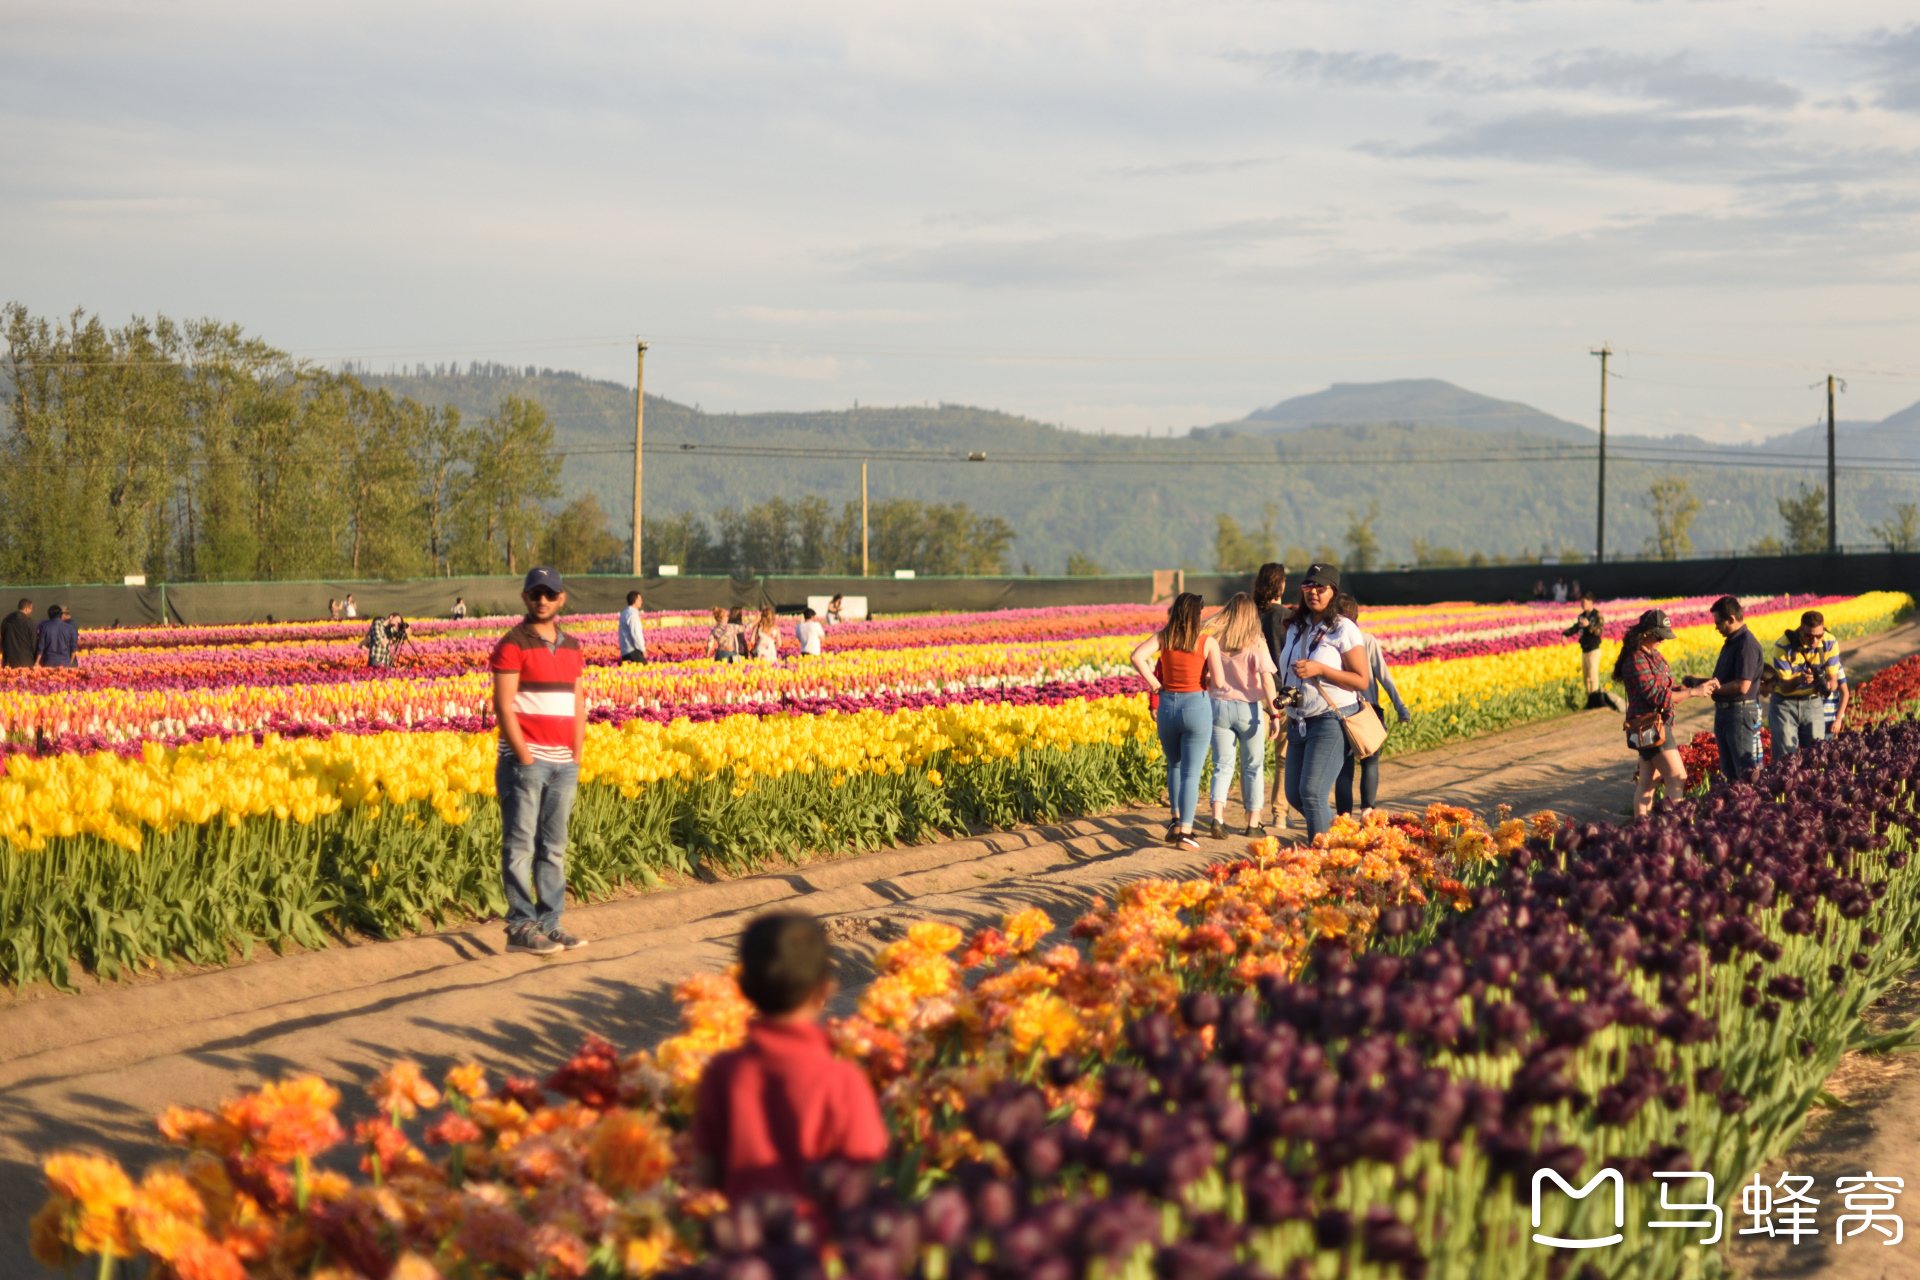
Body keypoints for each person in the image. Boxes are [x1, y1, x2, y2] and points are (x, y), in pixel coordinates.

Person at [691, 912, 888, 1214]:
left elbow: (704, 1173)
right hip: (815, 1248)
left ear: (742, 989)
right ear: (826, 989)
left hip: (743, 1247)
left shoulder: (723, 1073)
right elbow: (862, 1177)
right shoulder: (842, 1079)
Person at [490, 567, 589, 955]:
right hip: (526, 761)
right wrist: (526, 755)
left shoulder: (572, 647)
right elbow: (503, 704)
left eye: (550, 593)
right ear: (525, 597)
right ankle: (520, 925)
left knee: (553, 846)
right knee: (520, 845)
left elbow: (578, 703)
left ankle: (550, 923)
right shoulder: (512, 643)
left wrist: (576, 756)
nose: (542, 600)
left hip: (564, 762)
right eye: (536, 593)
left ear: (562, 598)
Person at [1276, 564, 1371, 841]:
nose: (1313, 593)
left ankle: (1322, 863)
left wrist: (1321, 670)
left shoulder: (1343, 628)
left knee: (1313, 793)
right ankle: (1346, 840)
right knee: (1295, 794)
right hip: (1299, 722)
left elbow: (1361, 680)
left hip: (1331, 719)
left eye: (1321, 588)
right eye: (1308, 587)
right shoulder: (1296, 627)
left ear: (1334, 591)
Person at [1130, 592, 1228, 851]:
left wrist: (1154, 684)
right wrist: (1208, 679)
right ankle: (1186, 831)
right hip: (1196, 705)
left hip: (1167, 707)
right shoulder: (1207, 642)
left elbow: (1137, 657)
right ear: (1197, 615)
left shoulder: (1163, 637)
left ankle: (1174, 822)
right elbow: (1218, 682)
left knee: (1174, 766)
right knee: (1191, 773)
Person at [1614, 608, 1710, 816]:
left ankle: (1643, 828)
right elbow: (1656, 697)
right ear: (1645, 633)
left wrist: (1698, 688)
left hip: (1659, 725)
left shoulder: (1655, 656)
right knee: (1677, 778)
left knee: (1649, 783)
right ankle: (1673, 825)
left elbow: (1668, 690)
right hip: (1649, 727)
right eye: (1659, 636)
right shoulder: (1635, 659)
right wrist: (1693, 693)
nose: (1662, 641)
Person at [1202, 593, 1280, 839]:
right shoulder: (1256, 642)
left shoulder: (1214, 639)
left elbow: (1204, 674)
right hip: (1249, 709)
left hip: (1218, 707)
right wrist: (1275, 712)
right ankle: (1253, 824)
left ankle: (1217, 818)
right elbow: (1267, 679)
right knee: (1253, 767)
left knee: (1222, 765)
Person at [1334, 595, 1410, 817]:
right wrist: (1400, 707)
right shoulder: (1366, 640)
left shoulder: (1328, 641)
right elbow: (1384, 676)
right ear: (1356, 615)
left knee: (1344, 769)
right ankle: (1367, 811)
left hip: (1340, 711)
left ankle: (1344, 818)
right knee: (1371, 763)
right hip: (1368, 711)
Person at [1691, 595, 1764, 784]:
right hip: (1728, 712)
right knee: (1730, 772)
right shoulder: (1732, 642)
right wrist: (1698, 682)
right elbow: (1723, 680)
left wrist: (1709, 690)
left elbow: (1742, 685)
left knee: (1744, 772)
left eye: (1718, 622)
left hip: (1739, 712)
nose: (1716, 627)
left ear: (1731, 619)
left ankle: (1752, 809)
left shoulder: (1745, 644)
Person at [1767, 610, 1840, 762]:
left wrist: (1825, 685)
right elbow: (1784, 687)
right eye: (1808, 636)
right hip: (1784, 703)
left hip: (1812, 700)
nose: (1814, 641)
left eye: (1818, 636)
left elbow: (1833, 680)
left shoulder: (1830, 642)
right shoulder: (1783, 646)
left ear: (1823, 629)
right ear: (1800, 630)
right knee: (1786, 759)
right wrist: (1799, 681)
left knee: (1816, 756)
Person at [1252, 563, 1290, 828]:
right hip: (1281, 693)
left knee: (1253, 757)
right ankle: (1280, 815)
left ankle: (1252, 813)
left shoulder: (1248, 616)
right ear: (1281, 585)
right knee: (1283, 758)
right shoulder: (1286, 617)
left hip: (1252, 693)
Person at [1563, 591, 1608, 710]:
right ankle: (1590, 701)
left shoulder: (1597, 615)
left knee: (1593, 677)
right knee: (1586, 678)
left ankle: (1596, 702)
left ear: (1591, 602)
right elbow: (1576, 628)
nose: (1582, 604)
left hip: (1594, 650)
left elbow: (1599, 632)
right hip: (1585, 650)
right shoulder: (1582, 616)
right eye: (1581, 602)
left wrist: (1589, 626)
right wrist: (1565, 634)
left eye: (1584, 602)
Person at [1, 599, 34, 669]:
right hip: (26, 661)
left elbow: (2, 639)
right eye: (31, 608)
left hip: (9, 661)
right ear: (26, 609)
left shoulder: (6, 621)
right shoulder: (29, 622)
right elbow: (33, 642)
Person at [617, 591, 647, 663]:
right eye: (640, 600)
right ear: (635, 601)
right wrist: (643, 649)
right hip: (633, 651)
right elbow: (635, 633)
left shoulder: (624, 613)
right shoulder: (633, 615)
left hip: (625, 651)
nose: (641, 602)